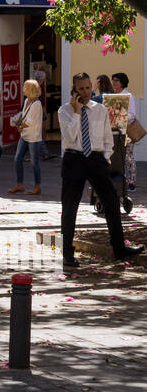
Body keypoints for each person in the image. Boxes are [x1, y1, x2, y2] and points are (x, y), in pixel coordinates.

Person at [57, 72, 143, 270]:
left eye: (88, 88)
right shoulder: (65, 111)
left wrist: (104, 158)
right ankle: (67, 254)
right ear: (74, 91)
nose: (86, 92)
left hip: (96, 160)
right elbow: (69, 137)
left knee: (112, 202)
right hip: (74, 159)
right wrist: (77, 112)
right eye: (81, 89)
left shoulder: (101, 110)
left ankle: (119, 248)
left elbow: (107, 138)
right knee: (70, 208)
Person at [8, 79, 44, 195]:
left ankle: (37, 186)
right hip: (24, 135)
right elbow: (24, 115)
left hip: (33, 137)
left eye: (25, 87)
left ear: (30, 90)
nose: (23, 89)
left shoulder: (37, 104)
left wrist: (20, 126)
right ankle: (19, 184)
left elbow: (31, 121)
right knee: (17, 159)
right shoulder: (26, 100)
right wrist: (17, 121)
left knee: (34, 162)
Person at [111, 72, 138, 195]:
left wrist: (119, 117)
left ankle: (131, 181)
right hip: (115, 131)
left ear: (122, 81)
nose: (114, 82)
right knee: (117, 156)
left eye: (116, 80)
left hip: (126, 130)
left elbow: (132, 115)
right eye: (112, 80)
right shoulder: (111, 96)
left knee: (128, 156)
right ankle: (120, 179)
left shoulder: (128, 95)